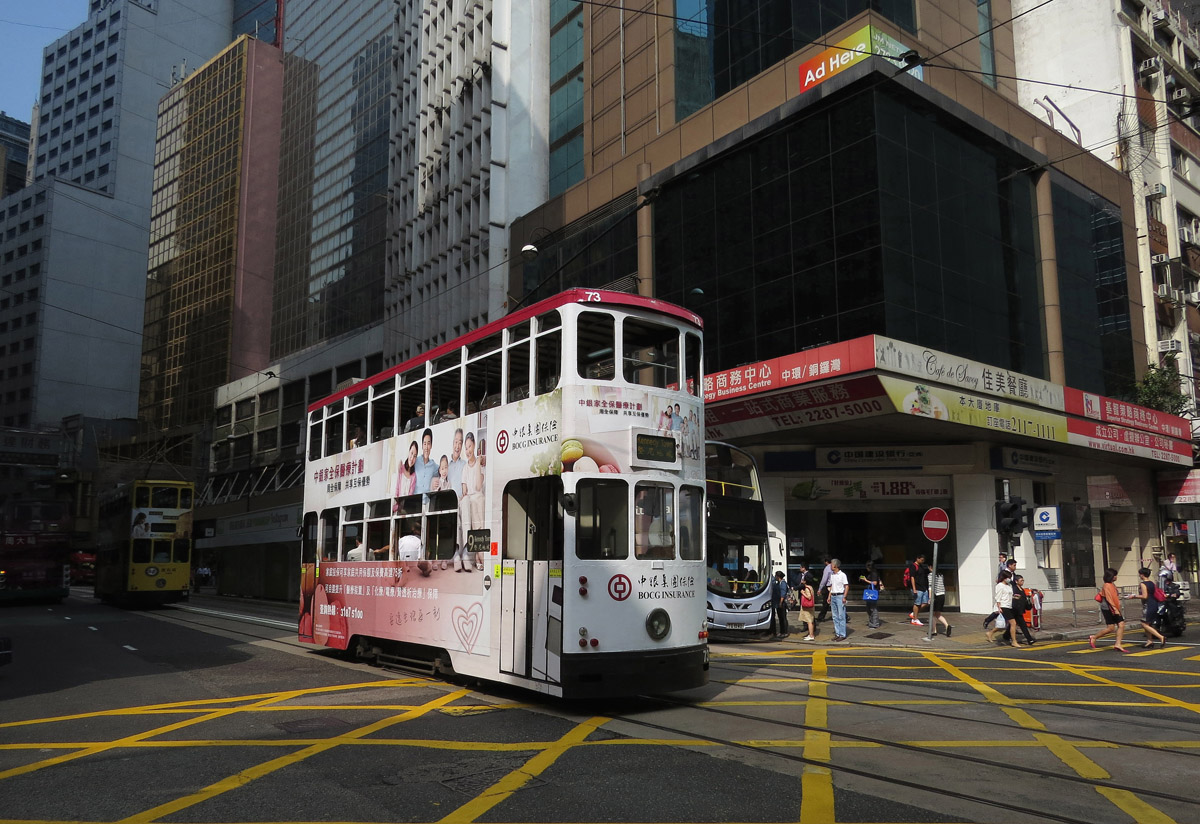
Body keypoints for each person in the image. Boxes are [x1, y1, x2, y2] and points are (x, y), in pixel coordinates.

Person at [1127, 567, 1166, 649]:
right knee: (1148, 623)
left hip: (1148, 605)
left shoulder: (1143, 584)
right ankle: (1149, 641)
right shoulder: (1152, 583)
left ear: (1142, 575)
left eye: (1140, 574)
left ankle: (1160, 637)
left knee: (1144, 624)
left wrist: (1134, 596)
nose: (1139, 576)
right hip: (1154, 604)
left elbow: (1145, 596)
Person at [1089, 568, 1128, 652]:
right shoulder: (1106, 585)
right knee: (1114, 627)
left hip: (1113, 607)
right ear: (1111, 576)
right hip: (1108, 608)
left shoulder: (1112, 584)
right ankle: (1094, 637)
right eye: (1115, 575)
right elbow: (1109, 599)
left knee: (1117, 626)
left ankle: (1117, 644)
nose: (1116, 577)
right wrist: (1115, 609)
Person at [986, 570, 1020, 648]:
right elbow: (998, 597)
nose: (1009, 579)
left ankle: (990, 633)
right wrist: (999, 607)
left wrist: (1014, 597)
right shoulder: (1000, 585)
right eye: (1008, 577)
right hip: (1003, 606)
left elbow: (1008, 595)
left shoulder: (1008, 586)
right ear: (1004, 578)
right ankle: (1014, 641)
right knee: (1013, 623)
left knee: (1003, 626)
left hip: (1009, 605)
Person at [1009, 574, 1035, 645]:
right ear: (1016, 581)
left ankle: (1006, 636)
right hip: (1015, 610)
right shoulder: (1014, 589)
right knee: (1023, 625)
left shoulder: (1022, 589)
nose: (1022, 582)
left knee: (1012, 625)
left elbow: (1024, 600)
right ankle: (1030, 639)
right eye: (1021, 580)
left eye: (1023, 580)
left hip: (1020, 610)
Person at [828, 558, 849, 641]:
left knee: (841, 615)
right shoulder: (832, 575)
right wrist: (829, 596)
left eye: (832, 564)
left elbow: (846, 586)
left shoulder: (842, 575)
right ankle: (837, 633)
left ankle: (842, 634)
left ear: (835, 566)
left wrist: (844, 596)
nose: (830, 566)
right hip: (833, 595)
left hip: (840, 596)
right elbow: (832, 586)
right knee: (834, 616)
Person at [859, 561, 883, 629]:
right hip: (871, 591)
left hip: (873, 591)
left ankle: (875, 623)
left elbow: (874, 583)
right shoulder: (872, 573)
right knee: (869, 608)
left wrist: (865, 580)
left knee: (873, 608)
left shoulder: (874, 573)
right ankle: (872, 622)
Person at [394, 440, 418, 506]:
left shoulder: (414, 476)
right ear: (408, 452)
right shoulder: (401, 468)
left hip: (406, 508)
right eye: (411, 453)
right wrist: (396, 505)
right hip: (396, 506)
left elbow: (410, 495)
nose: (412, 458)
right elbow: (397, 489)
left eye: (415, 456)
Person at [415, 428, 438, 492]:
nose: (426, 447)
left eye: (428, 443)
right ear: (422, 446)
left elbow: (442, 469)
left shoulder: (433, 465)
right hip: (414, 499)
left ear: (431, 446)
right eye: (424, 444)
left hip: (427, 500)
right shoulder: (416, 461)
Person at [909, 554, 929, 626]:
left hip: (923, 587)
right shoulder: (913, 566)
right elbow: (912, 577)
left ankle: (914, 613)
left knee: (926, 602)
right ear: (917, 558)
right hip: (917, 588)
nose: (922, 561)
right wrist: (914, 589)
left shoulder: (921, 566)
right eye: (921, 560)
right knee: (917, 603)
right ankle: (915, 619)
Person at [931, 571, 951, 637]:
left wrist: (930, 598)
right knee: (938, 614)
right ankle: (946, 625)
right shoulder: (941, 574)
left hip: (936, 596)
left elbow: (930, 587)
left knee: (933, 614)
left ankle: (934, 631)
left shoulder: (931, 575)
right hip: (942, 595)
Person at [770, 571, 790, 639]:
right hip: (777, 602)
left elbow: (783, 594)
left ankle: (784, 632)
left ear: (778, 577)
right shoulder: (778, 583)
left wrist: (780, 603)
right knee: (780, 617)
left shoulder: (783, 583)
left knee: (782, 617)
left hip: (781, 603)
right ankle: (781, 632)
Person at [815, 558, 833, 623]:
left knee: (825, 603)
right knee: (835, 602)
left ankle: (821, 617)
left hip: (828, 587)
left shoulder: (827, 568)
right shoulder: (834, 567)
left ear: (826, 562)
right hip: (834, 586)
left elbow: (824, 579)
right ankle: (845, 615)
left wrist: (820, 589)